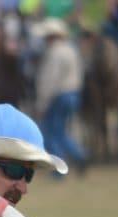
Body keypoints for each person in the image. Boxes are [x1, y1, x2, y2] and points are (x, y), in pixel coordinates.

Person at [34, 18, 85, 174]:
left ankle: (60, 169)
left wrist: (42, 104)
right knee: (60, 132)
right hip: (73, 94)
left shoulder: (53, 53)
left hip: (59, 96)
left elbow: (50, 80)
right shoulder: (71, 50)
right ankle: (80, 155)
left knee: (52, 133)